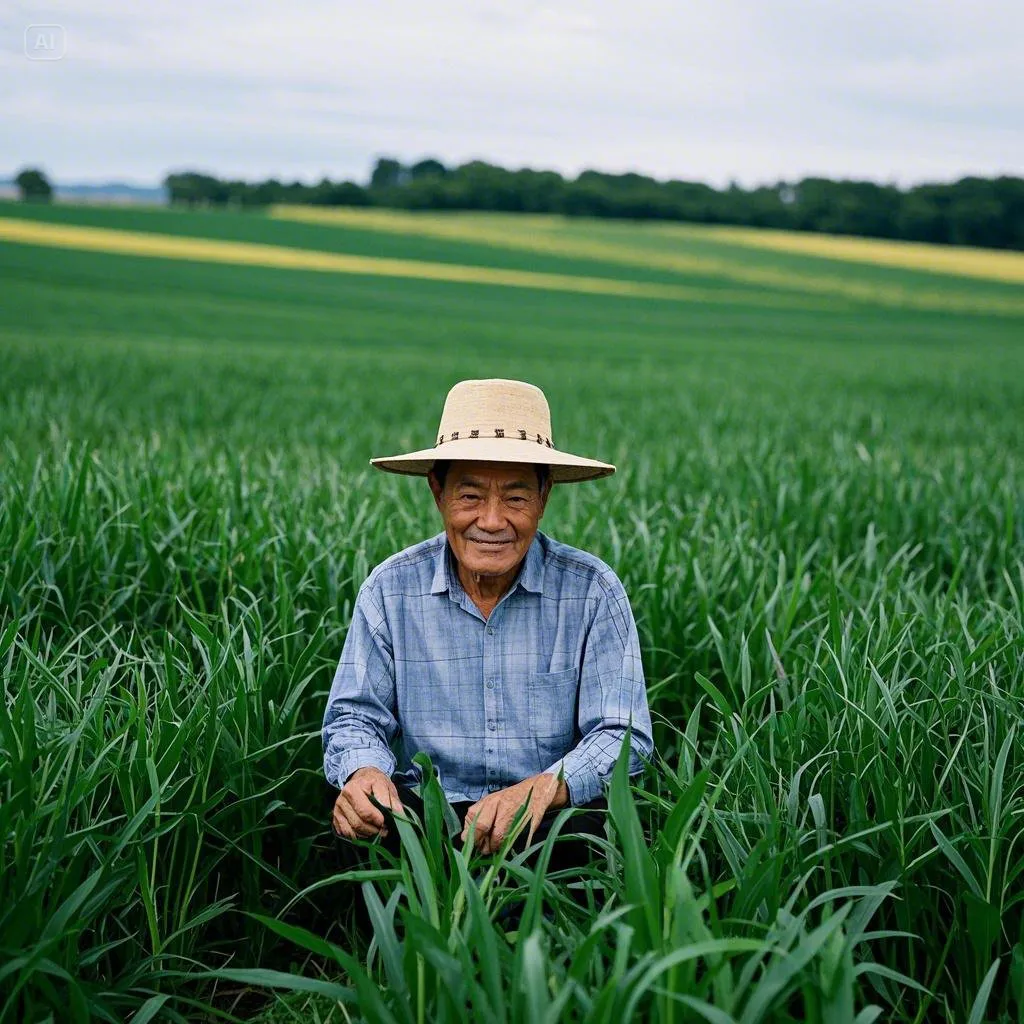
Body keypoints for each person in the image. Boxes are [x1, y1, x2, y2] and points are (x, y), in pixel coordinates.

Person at [323, 378, 654, 883]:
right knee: (358, 820)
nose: (492, 521)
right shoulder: (390, 589)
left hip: (542, 818)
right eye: (471, 495)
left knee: (591, 828)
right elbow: (353, 716)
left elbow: (622, 735)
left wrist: (547, 786)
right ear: (438, 491)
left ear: (545, 496)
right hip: (425, 813)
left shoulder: (592, 591)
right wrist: (365, 774)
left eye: (516, 498)